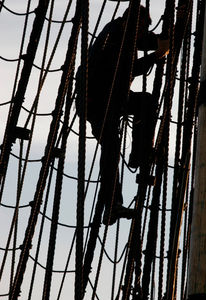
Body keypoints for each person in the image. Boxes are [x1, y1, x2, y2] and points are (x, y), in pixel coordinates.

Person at [76, 6, 169, 225]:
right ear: (134, 23)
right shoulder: (115, 36)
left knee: (145, 103)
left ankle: (139, 153)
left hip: (111, 97)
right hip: (97, 101)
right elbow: (125, 69)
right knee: (111, 146)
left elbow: (144, 41)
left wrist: (168, 35)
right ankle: (112, 204)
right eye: (142, 28)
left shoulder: (123, 31)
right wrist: (156, 56)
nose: (142, 34)